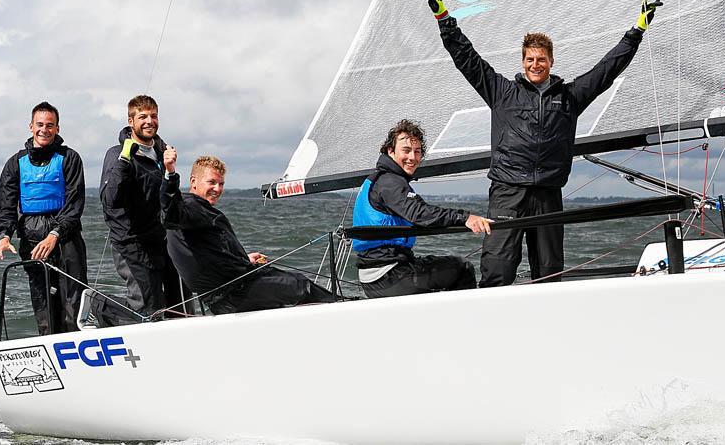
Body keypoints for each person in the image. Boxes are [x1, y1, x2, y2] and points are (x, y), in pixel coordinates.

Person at [422, 0, 662, 287]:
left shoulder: (569, 97)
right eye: (530, 59)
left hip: (548, 193)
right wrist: (444, 18)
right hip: (508, 192)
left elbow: (606, 71)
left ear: (551, 62)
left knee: (549, 272)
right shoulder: (501, 92)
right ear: (522, 62)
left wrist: (636, 32)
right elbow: (467, 59)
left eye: (542, 59)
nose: (536, 64)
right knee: (498, 269)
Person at [160, 152, 337, 314]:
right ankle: (342, 311)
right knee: (301, 286)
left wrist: (244, 259)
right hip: (232, 294)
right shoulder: (190, 207)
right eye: (211, 182)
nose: (217, 189)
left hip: (229, 291)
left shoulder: (198, 210)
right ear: (193, 182)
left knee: (287, 288)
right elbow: (170, 215)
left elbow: (209, 252)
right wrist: (170, 174)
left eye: (221, 184)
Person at [351, 119, 491, 298]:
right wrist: (465, 218)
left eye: (417, 152)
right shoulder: (390, 182)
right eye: (406, 150)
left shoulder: (378, 179)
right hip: (389, 276)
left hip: (375, 276)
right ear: (390, 151)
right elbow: (420, 214)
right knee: (462, 268)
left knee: (440, 267)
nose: (412, 158)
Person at [0, 101, 88, 335]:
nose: (44, 130)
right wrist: (4, 237)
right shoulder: (15, 163)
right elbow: (6, 203)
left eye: (50, 125)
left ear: (57, 129)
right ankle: (49, 346)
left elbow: (75, 204)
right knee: (44, 302)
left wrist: (55, 234)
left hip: (65, 237)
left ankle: (76, 346)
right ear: (31, 126)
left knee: (72, 302)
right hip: (32, 237)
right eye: (40, 125)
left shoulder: (70, 158)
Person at [99, 94, 193, 324]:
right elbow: (110, 200)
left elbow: (168, 200)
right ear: (131, 121)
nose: (149, 121)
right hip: (131, 243)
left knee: (181, 303)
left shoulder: (163, 152)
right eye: (142, 117)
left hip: (161, 239)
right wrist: (124, 160)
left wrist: (170, 171)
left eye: (153, 116)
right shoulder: (116, 154)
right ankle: (99, 305)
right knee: (150, 309)